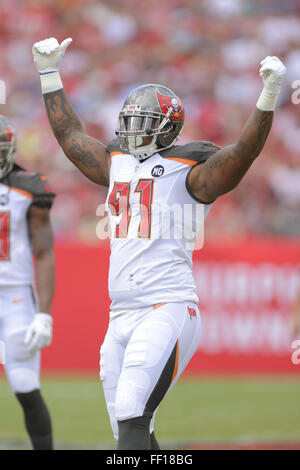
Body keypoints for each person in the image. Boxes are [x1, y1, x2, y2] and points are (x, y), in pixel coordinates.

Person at [32, 37, 286, 450]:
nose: (132, 129)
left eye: (143, 121)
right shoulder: (118, 161)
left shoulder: (189, 168)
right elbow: (70, 136)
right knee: (129, 430)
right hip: (120, 314)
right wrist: (49, 74)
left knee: (132, 411)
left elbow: (241, 156)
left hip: (166, 306)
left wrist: (268, 96)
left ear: (168, 127)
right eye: (129, 119)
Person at [0, 115, 55, 450]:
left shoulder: (26, 186)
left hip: (15, 295)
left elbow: (44, 251)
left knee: (23, 384)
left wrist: (44, 313)